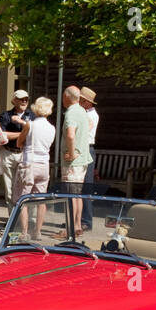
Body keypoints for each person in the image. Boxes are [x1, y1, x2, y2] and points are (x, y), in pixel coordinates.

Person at [14, 96, 56, 238]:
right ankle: (37, 231)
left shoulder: (29, 124)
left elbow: (19, 142)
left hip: (29, 163)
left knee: (23, 199)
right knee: (41, 200)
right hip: (44, 164)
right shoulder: (52, 128)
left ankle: (24, 232)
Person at [61, 86, 90, 237]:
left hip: (73, 162)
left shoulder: (71, 112)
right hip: (83, 159)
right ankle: (77, 225)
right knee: (77, 194)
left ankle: (70, 229)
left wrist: (71, 153)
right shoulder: (82, 111)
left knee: (70, 195)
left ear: (66, 96)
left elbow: (70, 135)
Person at [0, 89, 31, 208]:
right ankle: (12, 220)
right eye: (21, 99)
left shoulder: (32, 115)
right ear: (14, 101)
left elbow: (35, 133)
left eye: (26, 99)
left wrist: (23, 124)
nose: (24, 101)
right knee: (10, 189)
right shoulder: (5, 115)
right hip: (9, 153)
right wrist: (23, 134)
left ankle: (23, 219)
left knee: (24, 188)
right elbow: (2, 135)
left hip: (25, 154)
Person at [79, 87, 99, 229]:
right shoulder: (86, 113)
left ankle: (86, 220)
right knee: (79, 186)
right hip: (85, 148)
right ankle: (78, 218)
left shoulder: (90, 115)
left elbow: (84, 132)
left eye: (81, 100)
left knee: (86, 185)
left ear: (86, 102)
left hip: (87, 148)